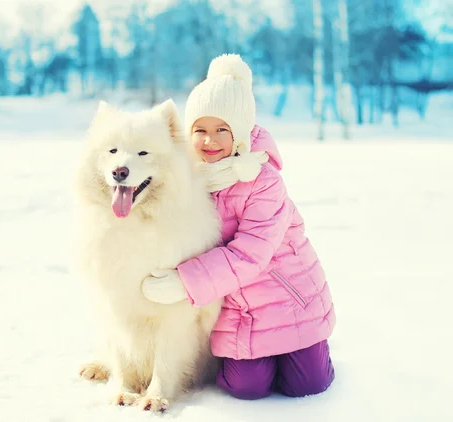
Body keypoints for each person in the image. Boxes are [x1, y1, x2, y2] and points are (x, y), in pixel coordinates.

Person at [141, 54, 336, 400]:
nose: (209, 140)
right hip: (235, 307)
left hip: (287, 295)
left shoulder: (263, 182)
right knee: (244, 388)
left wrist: (185, 281)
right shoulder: (190, 178)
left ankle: (307, 353)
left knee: (307, 384)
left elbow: (250, 254)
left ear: (241, 134)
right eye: (200, 130)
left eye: (222, 130)